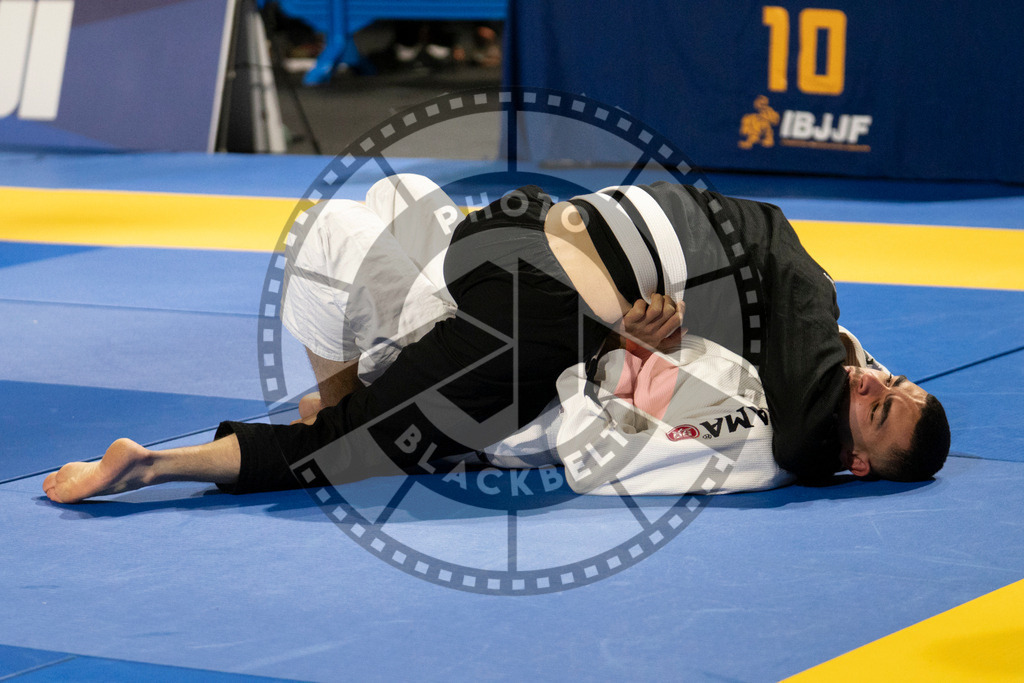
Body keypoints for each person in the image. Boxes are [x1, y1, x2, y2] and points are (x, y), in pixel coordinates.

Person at [42, 176, 949, 504]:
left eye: (881, 413)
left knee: (372, 246)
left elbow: (783, 439)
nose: (875, 386)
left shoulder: (787, 430)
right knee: (351, 424)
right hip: (544, 284)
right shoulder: (820, 348)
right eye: (894, 383)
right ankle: (191, 454)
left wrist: (641, 347)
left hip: (529, 282)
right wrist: (646, 338)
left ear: (856, 462)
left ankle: (159, 464)